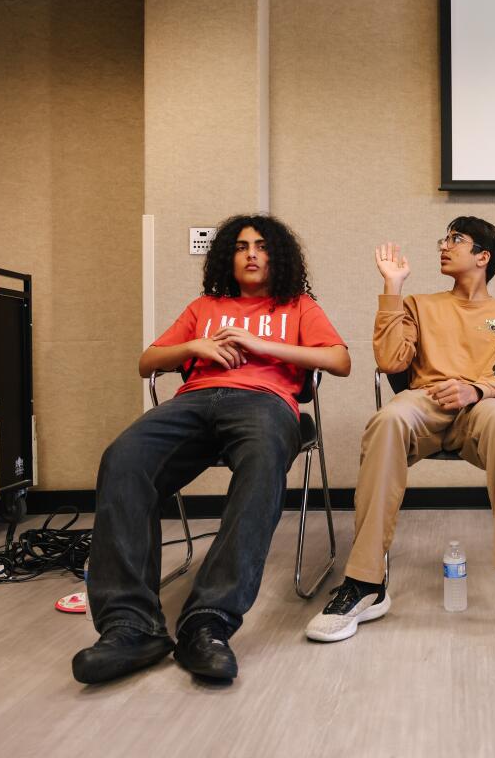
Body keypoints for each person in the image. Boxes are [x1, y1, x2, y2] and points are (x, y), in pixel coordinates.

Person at [72, 214, 350, 684]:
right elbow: (148, 362)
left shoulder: (298, 306)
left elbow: (339, 360)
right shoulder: (205, 305)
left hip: (267, 404)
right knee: (123, 457)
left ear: (277, 255)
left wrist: (259, 344)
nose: (251, 254)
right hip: (196, 401)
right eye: (241, 246)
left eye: (261, 246)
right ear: (228, 256)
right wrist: (195, 344)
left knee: (262, 461)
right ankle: (131, 627)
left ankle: (209, 622)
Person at [305, 217, 495, 646]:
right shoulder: (419, 305)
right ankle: (365, 582)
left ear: (483, 256)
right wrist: (392, 288)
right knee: (388, 419)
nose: (444, 245)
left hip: (479, 406)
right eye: (444, 238)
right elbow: (390, 361)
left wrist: (473, 389)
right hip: (424, 401)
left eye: (455, 240)